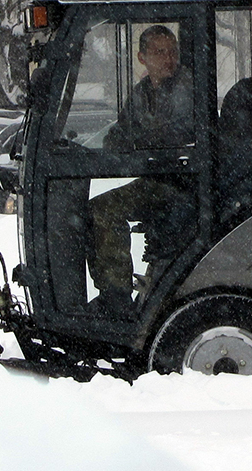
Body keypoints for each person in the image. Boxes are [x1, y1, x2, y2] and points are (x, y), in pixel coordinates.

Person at [88, 25, 197, 315]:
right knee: (97, 206)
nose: (168, 58)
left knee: (104, 209)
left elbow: (173, 134)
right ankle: (114, 289)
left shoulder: (186, 89)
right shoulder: (142, 92)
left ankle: (116, 297)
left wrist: (139, 141)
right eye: (159, 52)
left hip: (183, 183)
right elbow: (122, 133)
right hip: (158, 179)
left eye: (172, 51)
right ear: (141, 57)